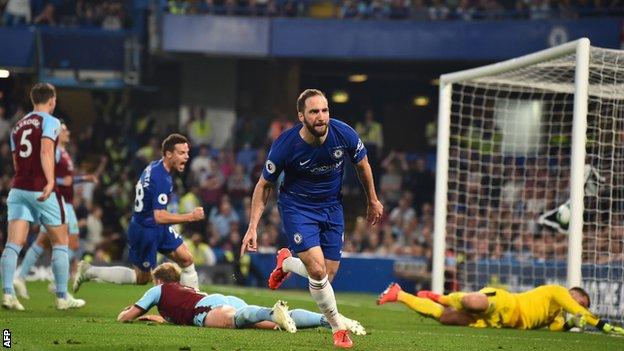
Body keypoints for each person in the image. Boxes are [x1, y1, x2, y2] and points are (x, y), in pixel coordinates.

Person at [240, 89, 383, 348]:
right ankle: (338, 329)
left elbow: (363, 165)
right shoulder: (285, 145)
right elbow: (264, 185)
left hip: (332, 207)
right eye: (314, 112)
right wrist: (253, 227)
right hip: (298, 208)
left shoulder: (344, 134)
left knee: (326, 274)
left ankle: (286, 264)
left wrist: (372, 199)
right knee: (317, 272)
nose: (321, 117)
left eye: (325, 110)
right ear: (301, 116)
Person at [73, 134, 205, 292]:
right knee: (142, 278)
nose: (187, 157)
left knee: (187, 258)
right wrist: (190, 216)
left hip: (156, 226)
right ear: (169, 154)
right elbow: (160, 216)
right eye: (181, 153)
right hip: (146, 231)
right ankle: (89, 271)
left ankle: (194, 302)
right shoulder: (161, 179)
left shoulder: (155, 166)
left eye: (187, 153)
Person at [1, 83, 85, 310]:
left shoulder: (17, 126)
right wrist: (49, 181)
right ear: (52, 100)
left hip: (19, 188)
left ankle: (7, 294)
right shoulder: (51, 121)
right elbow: (46, 150)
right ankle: (61, 297)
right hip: (41, 189)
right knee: (61, 241)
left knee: (13, 244)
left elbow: (17, 161)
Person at [117, 262, 366, 336]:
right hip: (218, 299)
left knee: (236, 320)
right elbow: (174, 314)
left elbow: (126, 317)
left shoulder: (159, 290)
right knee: (274, 322)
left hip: (204, 310)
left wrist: (128, 313)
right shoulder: (182, 290)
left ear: (159, 280)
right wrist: (157, 317)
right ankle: (329, 320)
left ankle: (272, 312)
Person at [13, 122, 100, 299]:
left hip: (64, 203)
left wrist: (83, 178)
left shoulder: (64, 152)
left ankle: (23, 277)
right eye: (64, 129)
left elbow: (67, 178)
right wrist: (63, 182)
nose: (67, 131)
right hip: (60, 203)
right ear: (57, 133)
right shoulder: (55, 152)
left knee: (43, 242)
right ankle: (55, 283)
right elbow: (49, 177)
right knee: (68, 243)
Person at [377, 282, 624, 335]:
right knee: (473, 302)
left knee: (447, 319)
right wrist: (606, 326)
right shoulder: (558, 292)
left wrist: (570, 324)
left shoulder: (556, 316)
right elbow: (578, 310)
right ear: (575, 295)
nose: (580, 307)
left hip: (496, 323)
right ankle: (442, 296)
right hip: (507, 302)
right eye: (582, 303)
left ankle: (400, 294)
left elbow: (557, 330)